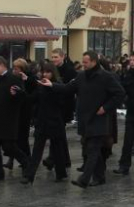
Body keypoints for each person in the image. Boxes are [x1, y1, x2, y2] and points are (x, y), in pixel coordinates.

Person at [41, 51, 125, 188]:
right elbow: (68, 88)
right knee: (93, 150)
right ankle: (100, 177)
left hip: (99, 118)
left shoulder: (105, 77)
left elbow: (120, 93)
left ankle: (84, 179)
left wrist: (106, 107)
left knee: (92, 149)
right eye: (83, 61)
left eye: (86, 62)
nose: (83, 64)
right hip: (85, 119)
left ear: (94, 62)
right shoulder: (81, 76)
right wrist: (52, 85)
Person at [23, 61, 69, 184]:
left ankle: (61, 173)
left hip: (54, 121)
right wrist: (22, 92)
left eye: (48, 72)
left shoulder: (58, 85)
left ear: (52, 73)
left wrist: (51, 87)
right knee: (37, 150)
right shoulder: (41, 85)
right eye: (44, 72)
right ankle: (29, 175)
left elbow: (62, 102)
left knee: (57, 149)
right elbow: (32, 99)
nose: (45, 74)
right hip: (42, 121)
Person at [0, 56, 30, 182]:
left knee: (9, 147)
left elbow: (23, 98)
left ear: (2, 66)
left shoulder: (13, 79)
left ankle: (26, 163)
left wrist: (17, 94)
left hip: (8, 120)